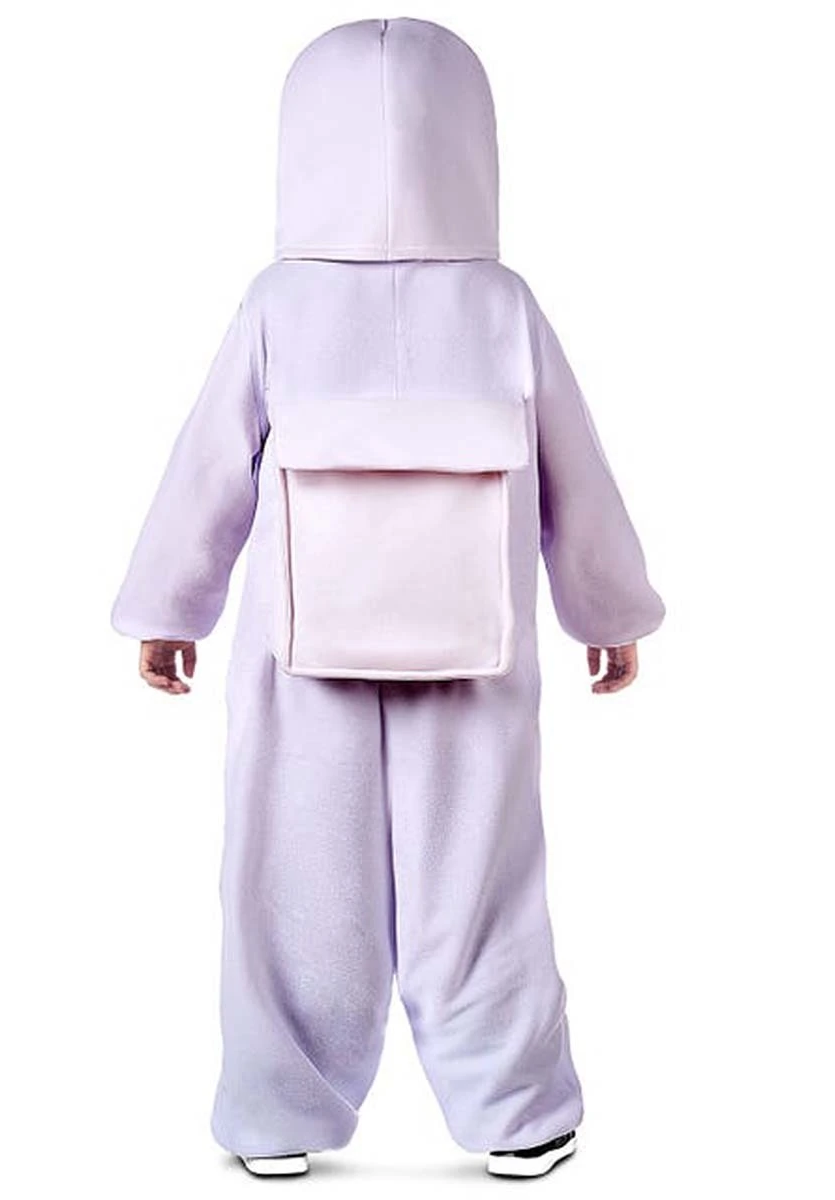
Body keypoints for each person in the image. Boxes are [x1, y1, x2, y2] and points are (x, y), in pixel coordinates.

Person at [111, 17, 665, 1179]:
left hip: (298, 646)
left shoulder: (277, 304)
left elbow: (210, 465)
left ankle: (277, 1112)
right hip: (477, 644)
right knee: (482, 878)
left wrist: (170, 606)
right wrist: (607, 612)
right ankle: (517, 1110)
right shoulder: (502, 304)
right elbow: (576, 469)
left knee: (291, 876)